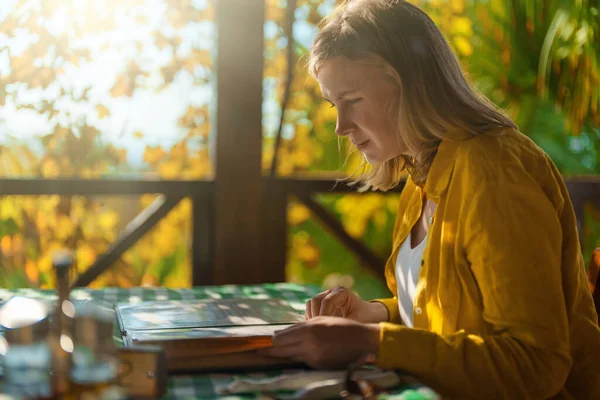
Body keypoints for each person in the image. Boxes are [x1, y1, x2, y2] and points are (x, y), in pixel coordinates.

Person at [259, 0, 600, 398]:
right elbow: (450, 322)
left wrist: (375, 343)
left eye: (352, 100)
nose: (340, 127)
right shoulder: (422, 178)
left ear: (409, 82)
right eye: (335, 105)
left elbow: (536, 364)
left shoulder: (494, 173)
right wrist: (374, 315)